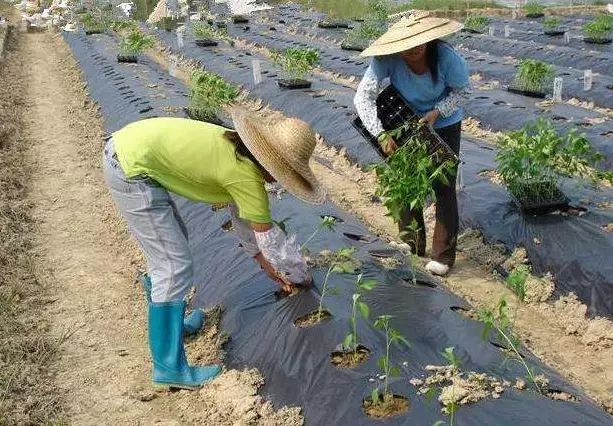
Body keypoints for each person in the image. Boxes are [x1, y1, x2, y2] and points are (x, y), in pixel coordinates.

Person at [103, 107, 325, 389]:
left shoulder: (234, 149)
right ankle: (168, 367)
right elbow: (270, 243)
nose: (280, 180)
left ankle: (174, 328)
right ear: (272, 165)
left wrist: (265, 263)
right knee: (172, 266)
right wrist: (298, 276)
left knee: (169, 247)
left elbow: (247, 228)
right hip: (129, 168)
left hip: (128, 151)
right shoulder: (245, 176)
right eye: (285, 173)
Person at [354, 13, 470, 277]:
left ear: (428, 40)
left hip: (443, 120)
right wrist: (381, 134)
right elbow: (363, 97)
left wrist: (437, 112)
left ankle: (442, 256)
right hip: (404, 117)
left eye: (418, 43)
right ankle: (411, 242)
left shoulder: (446, 57)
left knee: (443, 184)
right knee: (405, 180)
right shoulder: (385, 59)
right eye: (406, 46)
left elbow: (464, 91)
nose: (412, 49)